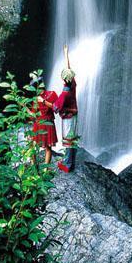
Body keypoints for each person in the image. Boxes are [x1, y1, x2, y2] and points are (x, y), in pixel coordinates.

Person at [55, 44, 79, 173]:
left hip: (68, 117)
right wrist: (66, 53)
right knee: (73, 138)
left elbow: (55, 108)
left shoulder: (64, 94)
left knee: (69, 140)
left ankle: (68, 166)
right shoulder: (73, 84)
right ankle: (71, 162)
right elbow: (68, 69)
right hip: (74, 115)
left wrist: (43, 101)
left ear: (63, 79)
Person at [30, 76, 60, 165]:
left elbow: (32, 116)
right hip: (48, 123)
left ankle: (34, 167)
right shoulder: (52, 94)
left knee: (32, 146)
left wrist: (26, 109)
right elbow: (57, 108)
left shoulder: (36, 99)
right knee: (48, 147)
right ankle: (45, 170)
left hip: (39, 124)